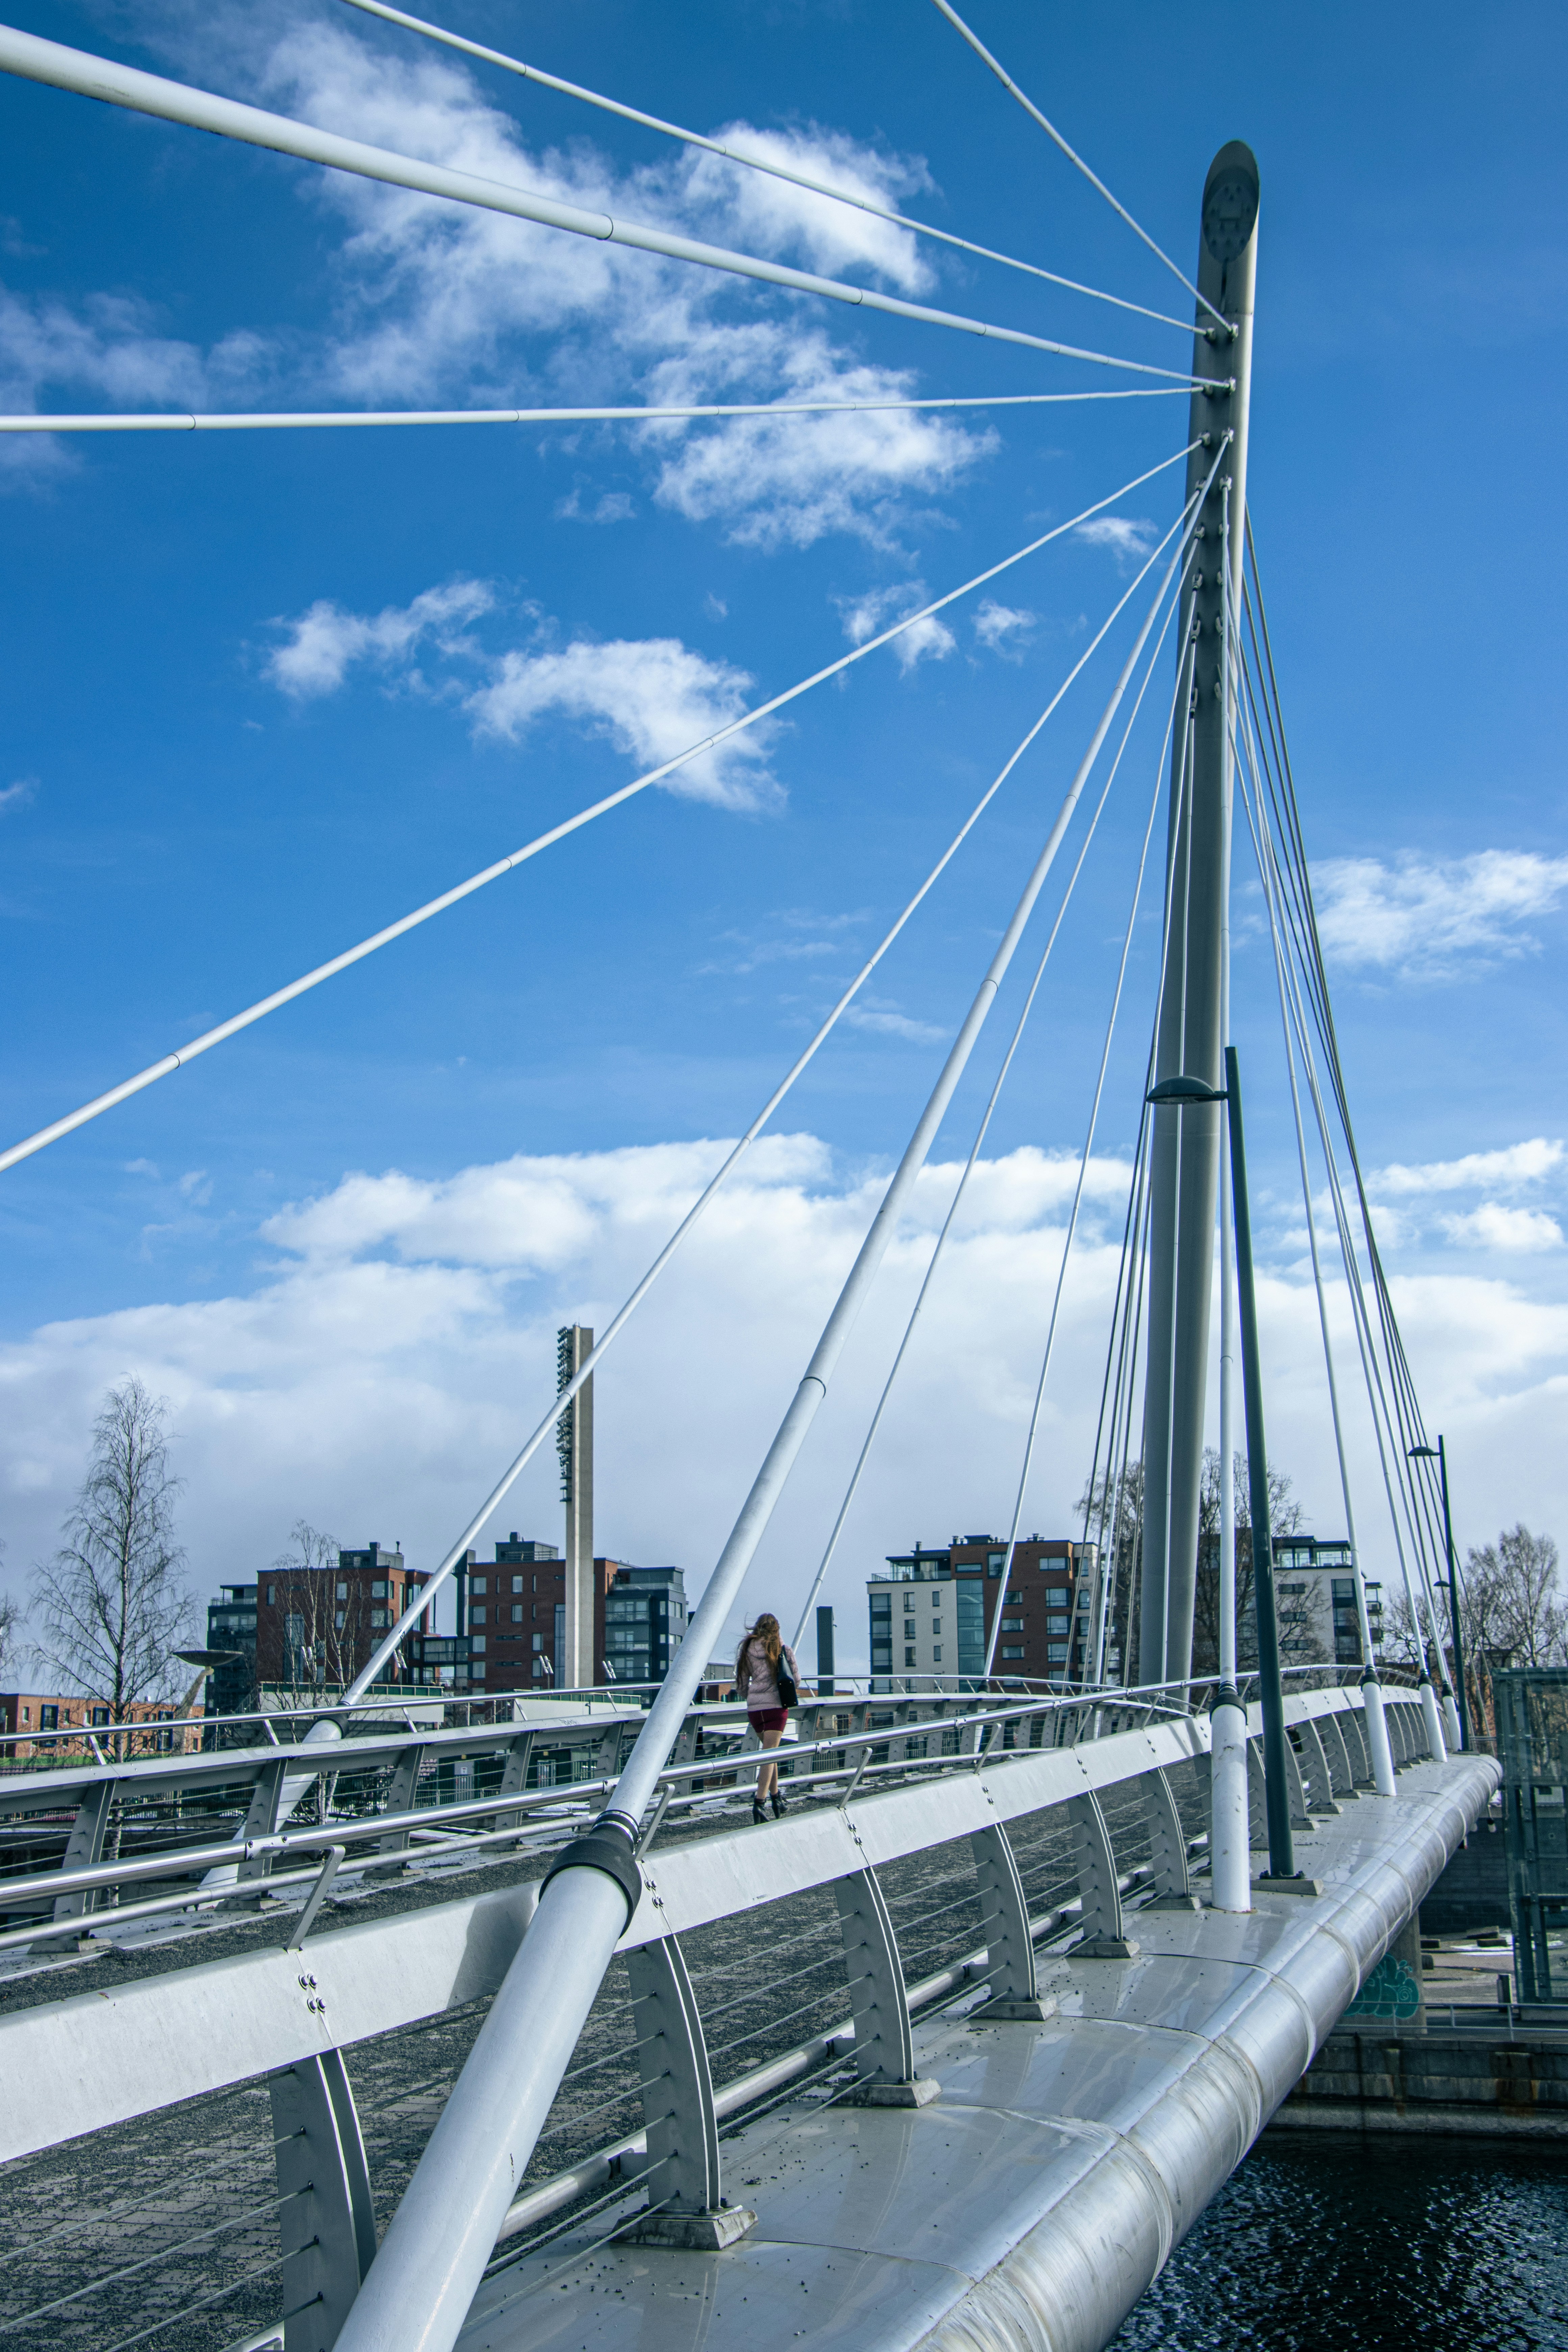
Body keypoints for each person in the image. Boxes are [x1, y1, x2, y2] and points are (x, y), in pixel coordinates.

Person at [735, 1613, 809, 1824]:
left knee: (770, 1753)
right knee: (769, 1755)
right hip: (776, 1708)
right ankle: (759, 1803)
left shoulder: (747, 1650)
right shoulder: (783, 1650)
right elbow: (796, 1681)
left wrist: (753, 1695)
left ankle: (777, 1798)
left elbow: (741, 1686)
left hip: (755, 1710)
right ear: (777, 1629)